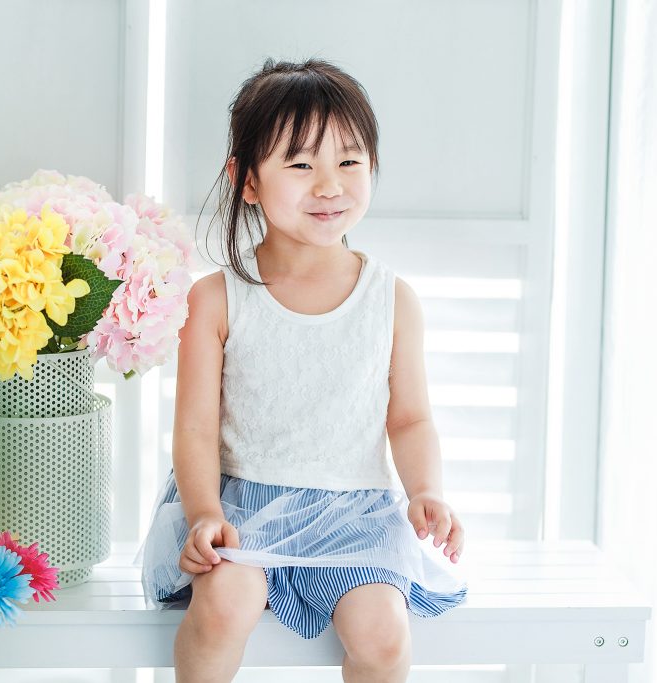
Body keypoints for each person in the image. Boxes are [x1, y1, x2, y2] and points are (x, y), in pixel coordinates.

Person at [135, 57, 470, 683]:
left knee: (383, 633)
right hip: (242, 503)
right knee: (223, 607)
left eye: (349, 161)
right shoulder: (216, 299)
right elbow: (196, 429)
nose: (329, 186)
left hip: (357, 516)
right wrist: (205, 512)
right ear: (247, 180)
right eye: (300, 165)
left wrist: (426, 490)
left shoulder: (392, 300)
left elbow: (410, 419)